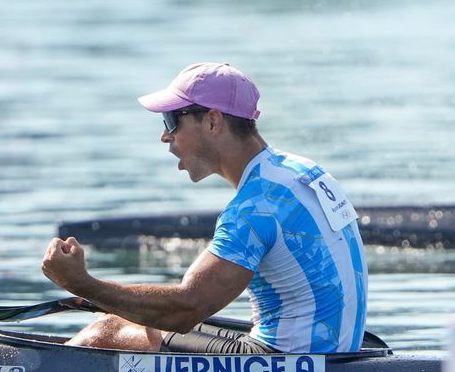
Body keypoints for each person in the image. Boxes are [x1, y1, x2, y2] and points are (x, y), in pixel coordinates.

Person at [41, 62, 369, 354]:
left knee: (106, 332)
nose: (164, 136)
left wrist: (81, 283)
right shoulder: (301, 170)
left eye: (172, 120)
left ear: (213, 121)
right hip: (336, 351)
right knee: (127, 319)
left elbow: (185, 310)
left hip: (292, 364)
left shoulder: (254, 209)